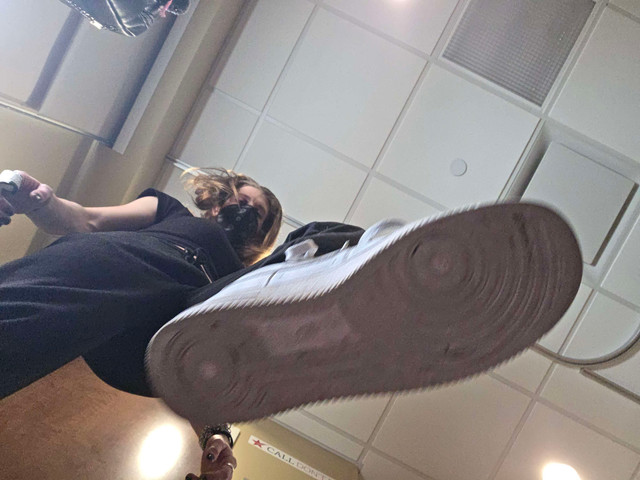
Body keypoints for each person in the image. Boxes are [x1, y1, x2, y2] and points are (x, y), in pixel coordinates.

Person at [0, 168, 283, 479]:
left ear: (261, 234)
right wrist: (41, 202)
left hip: (146, 339)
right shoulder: (171, 210)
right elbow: (85, 220)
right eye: (242, 201)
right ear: (218, 204)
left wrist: (216, 436)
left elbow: (202, 368)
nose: (246, 212)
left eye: (257, 212)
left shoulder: (242, 281)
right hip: (108, 264)